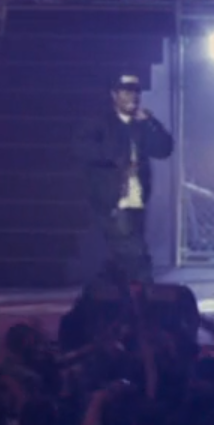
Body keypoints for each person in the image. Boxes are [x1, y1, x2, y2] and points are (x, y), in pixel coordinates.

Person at [72, 72, 172, 285]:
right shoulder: (101, 123)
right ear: (114, 95)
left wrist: (151, 122)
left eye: (136, 93)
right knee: (134, 250)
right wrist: (113, 156)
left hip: (137, 197)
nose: (132, 97)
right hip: (113, 198)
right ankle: (143, 289)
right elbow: (81, 148)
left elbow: (164, 149)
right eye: (126, 93)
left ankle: (125, 291)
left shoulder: (141, 125)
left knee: (126, 250)